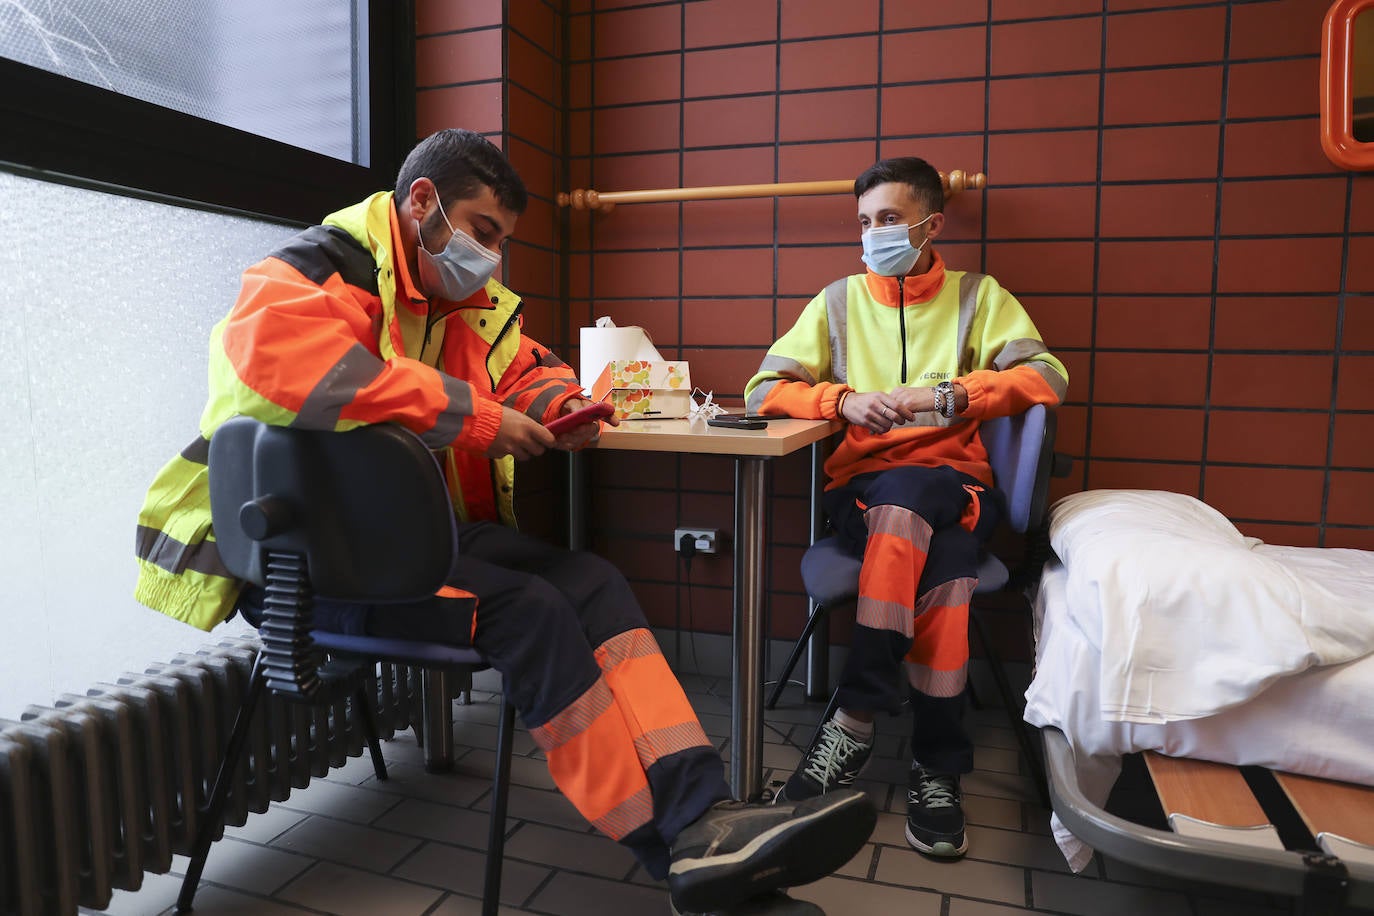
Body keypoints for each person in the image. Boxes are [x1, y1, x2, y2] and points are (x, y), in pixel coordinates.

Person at [133, 129, 874, 915]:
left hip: (402, 543)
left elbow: (529, 366)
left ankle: (709, 814)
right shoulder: (316, 268)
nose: (491, 256)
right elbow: (279, 366)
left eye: (501, 242)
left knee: (590, 578)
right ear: (422, 203)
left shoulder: (454, 302)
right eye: (483, 232)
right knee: (529, 612)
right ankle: (683, 851)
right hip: (303, 569)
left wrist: (568, 408)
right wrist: (475, 420)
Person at [744, 156, 1067, 859]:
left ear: (930, 223)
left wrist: (948, 396)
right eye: (864, 222)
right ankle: (937, 765)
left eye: (888, 219)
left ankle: (854, 717)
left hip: (957, 488)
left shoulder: (979, 296)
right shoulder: (836, 301)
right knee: (943, 562)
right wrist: (841, 400)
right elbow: (761, 389)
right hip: (864, 494)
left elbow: (1046, 375)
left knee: (920, 495)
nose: (873, 234)